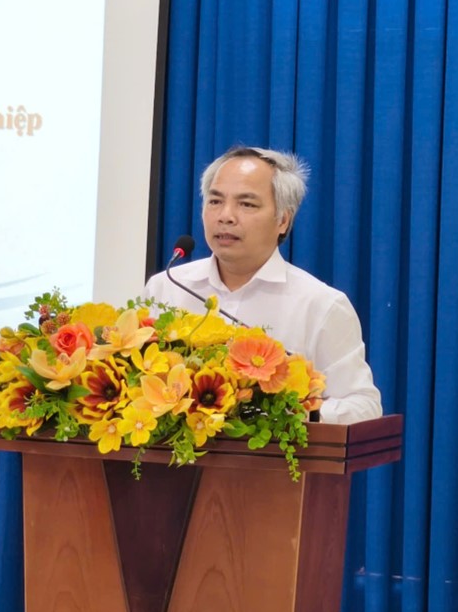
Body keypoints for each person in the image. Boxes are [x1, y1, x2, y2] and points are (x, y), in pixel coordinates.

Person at [143, 145, 382, 424]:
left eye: (247, 204)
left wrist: (291, 415)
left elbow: (364, 406)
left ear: (283, 220)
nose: (225, 216)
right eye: (215, 201)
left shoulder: (320, 305)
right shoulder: (167, 287)